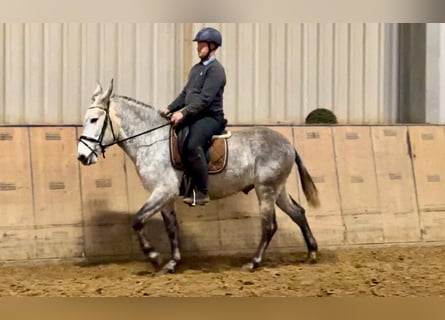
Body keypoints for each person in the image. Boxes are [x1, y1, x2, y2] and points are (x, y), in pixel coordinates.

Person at [162, 27, 227, 205]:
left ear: (212, 46)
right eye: (197, 45)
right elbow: (185, 94)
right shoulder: (196, 69)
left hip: (210, 118)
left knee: (192, 144)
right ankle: (185, 182)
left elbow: (205, 100)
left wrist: (183, 112)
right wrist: (170, 108)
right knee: (176, 136)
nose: (198, 48)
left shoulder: (216, 71)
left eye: (201, 45)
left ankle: (202, 191)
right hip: (195, 115)